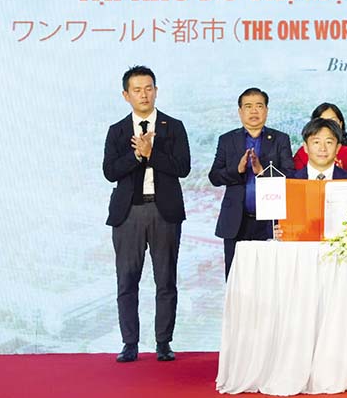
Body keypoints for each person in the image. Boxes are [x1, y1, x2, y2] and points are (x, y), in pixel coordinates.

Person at [103, 66, 190, 363]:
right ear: (126, 95)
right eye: (137, 90)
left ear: (156, 90)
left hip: (164, 212)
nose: (144, 94)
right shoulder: (117, 130)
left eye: (149, 88)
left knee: (166, 280)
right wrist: (137, 155)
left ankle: (163, 342)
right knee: (127, 281)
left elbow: (183, 167)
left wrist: (153, 153)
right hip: (128, 214)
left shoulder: (173, 126)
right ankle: (130, 343)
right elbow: (110, 171)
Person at [208, 87, 295, 279]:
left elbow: (290, 176)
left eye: (259, 106)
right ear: (240, 111)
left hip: (270, 222)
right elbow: (214, 176)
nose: (254, 111)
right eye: (248, 106)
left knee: (269, 278)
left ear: (266, 110)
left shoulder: (280, 139)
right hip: (236, 222)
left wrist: (262, 171)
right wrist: (237, 170)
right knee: (236, 279)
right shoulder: (227, 140)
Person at [292, 103, 347, 176]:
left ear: (341, 124)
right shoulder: (302, 152)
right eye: (322, 121)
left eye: (333, 121)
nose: (327, 126)